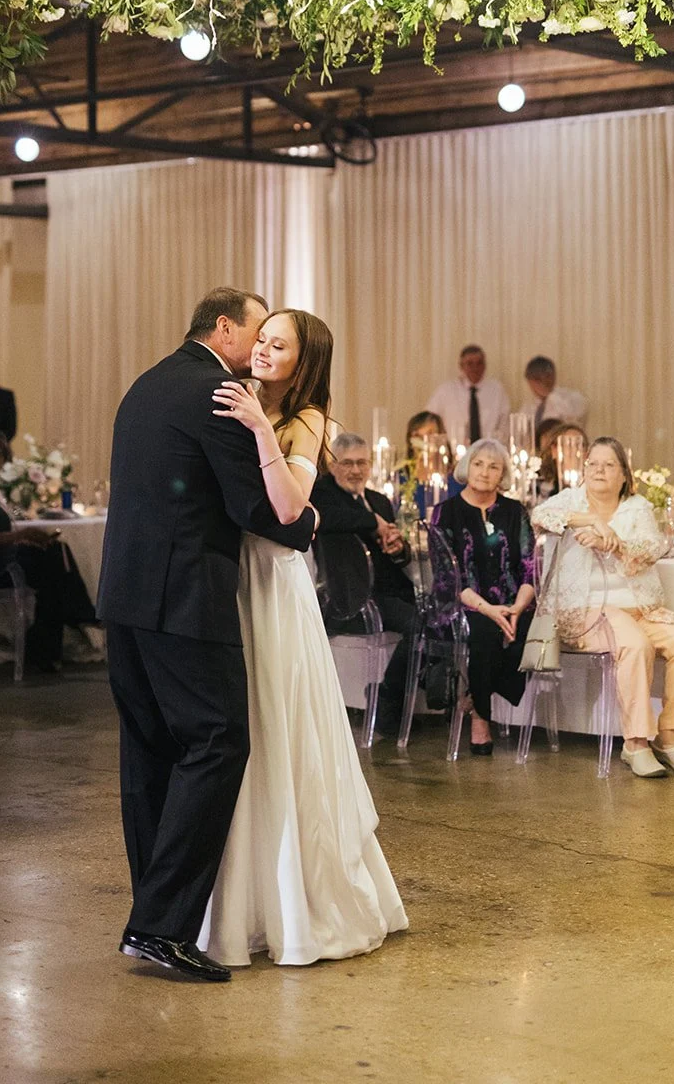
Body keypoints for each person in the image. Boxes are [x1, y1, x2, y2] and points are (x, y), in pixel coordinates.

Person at [97, 286, 320, 985]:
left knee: (150, 753)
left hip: (126, 596)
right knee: (221, 740)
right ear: (223, 328)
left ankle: (155, 916)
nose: (257, 348)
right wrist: (312, 525)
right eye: (253, 332)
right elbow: (261, 509)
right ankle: (162, 928)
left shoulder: (147, 383)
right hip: (185, 601)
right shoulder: (217, 393)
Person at [201, 308, 407, 966]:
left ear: (303, 360)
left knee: (280, 726)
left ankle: (299, 901)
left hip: (274, 578)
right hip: (233, 572)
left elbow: (290, 508)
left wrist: (262, 430)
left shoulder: (307, 417)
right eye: (260, 339)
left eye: (277, 344)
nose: (261, 350)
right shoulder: (238, 390)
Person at [533, 437, 674, 779]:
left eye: (608, 465)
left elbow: (653, 545)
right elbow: (539, 515)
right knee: (635, 644)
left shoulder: (637, 507)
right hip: (586, 610)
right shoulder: (571, 499)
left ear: (624, 476)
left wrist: (614, 544)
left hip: (640, 607)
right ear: (584, 471)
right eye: (592, 464)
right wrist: (587, 521)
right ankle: (636, 743)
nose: (599, 470)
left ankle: (670, 737)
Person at [0, 427, 98, 673]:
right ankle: (73, 620)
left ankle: (58, 633)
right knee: (53, 561)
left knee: (56, 551)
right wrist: (21, 535)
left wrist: (25, 539)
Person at [311, 431, 418, 740]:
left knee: (436, 621)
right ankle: (388, 700)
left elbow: (397, 551)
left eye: (362, 463)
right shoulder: (321, 493)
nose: (355, 471)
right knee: (420, 626)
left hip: (388, 591)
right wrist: (374, 523)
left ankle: (391, 696)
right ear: (333, 466)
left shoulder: (379, 500)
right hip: (349, 598)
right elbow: (332, 517)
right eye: (347, 463)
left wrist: (398, 549)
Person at [432, 439, 536, 756]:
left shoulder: (514, 511)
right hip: (463, 603)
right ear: (467, 467)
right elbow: (447, 578)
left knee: (534, 630)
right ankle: (481, 717)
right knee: (484, 630)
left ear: (502, 474)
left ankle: (476, 696)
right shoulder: (445, 513)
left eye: (494, 466)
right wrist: (489, 609)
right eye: (478, 463)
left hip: (512, 602)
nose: (485, 471)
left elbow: (530, 567)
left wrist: (518, 606)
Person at [428, 344, 510, 446]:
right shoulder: (446, 391)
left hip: (489, 450)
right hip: (455, 451)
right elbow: (430, 420)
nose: (475, 368)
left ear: (485, 365)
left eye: (479, 363)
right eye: (470, 364)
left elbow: (505, 423)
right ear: (461, 366)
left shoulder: (497, 390)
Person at [400, 409, 461, 516]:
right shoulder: (402, 478)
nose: (424, 441)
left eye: (430, 434)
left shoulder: (457, 479)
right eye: (417, 436)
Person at [520, 356, 590, 434]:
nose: (543, 382)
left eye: (547, 376)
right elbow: (521, 431)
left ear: (553, 375)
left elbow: (574, 417)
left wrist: (550, 394)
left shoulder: (572, 398)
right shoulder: (528, 405)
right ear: (529, 381)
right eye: (537, 379)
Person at [536, 421, 589, 496]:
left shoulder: (592, 483)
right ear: (554, 450)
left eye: (579, 444)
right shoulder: (539, 485)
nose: (574, 449)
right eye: (568, 444)